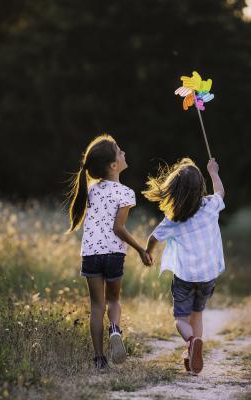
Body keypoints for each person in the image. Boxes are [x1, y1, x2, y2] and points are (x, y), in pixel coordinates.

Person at [67, 134, 151, 370]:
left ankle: (98, 358)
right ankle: (115, 329)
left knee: (96, 306)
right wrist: (140, 249)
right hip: (114, 254)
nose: (124, 153)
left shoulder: (90, 190)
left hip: (91, 254)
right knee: (113, 300)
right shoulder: (125, 193)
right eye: (120, 152)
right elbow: (119, 228)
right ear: (114, 165)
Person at [143, 157, 225, 374]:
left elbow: (154, 237)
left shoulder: (174, 218)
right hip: (208, 276)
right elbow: (220, 193)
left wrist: (147, 254)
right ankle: (194, 350)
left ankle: (190, 341)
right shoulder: (210, 206)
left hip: (185, 278)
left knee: (180, 319)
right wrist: (213, 172)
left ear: (175, 190)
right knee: (197, 314)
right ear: (200, 188)